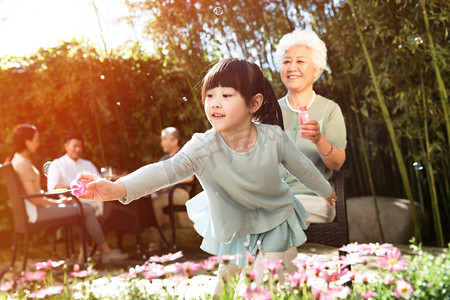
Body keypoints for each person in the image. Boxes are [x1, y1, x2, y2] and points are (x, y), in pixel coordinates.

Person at [75, 58, 337, 294]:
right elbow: (165, 171)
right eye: (209, 95)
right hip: (235, 226)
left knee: (264, 285)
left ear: (254, 103)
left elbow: (302, 166)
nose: (215, 103)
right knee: (224, 288)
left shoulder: (273, 138)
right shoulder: (203, 146)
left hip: (276, 217)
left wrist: (326, 190)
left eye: (226, 94)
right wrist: (116, 187)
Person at [8, 124, 128, 263]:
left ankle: (86, 252)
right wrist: (58, 202)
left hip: (36, 209)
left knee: (83, 209)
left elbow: (33, 195)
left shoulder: (17, 160)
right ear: (26, 141)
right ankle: (105, 251)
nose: (38, 143)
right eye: (36, 139)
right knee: (86, 209)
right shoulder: (23, 163)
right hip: (36, 211)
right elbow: (34, 199)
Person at [274, 30, 347, 226]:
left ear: (316, 69)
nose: (292, 67)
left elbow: (337, 163)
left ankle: (272, 258)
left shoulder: (329, 110)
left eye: (300, 62)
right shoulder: (269, 110)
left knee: (275, 217)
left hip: (314, 198)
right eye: (287, 61)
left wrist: (319, 140)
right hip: (272, 197)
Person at [149, 127, 194, 250]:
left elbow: (190, 178)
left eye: (164, 139)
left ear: (175, 141)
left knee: (156, 203)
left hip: (180, 192)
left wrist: (168, 185)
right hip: (165, 193)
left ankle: (157, 242)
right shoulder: (163, 159)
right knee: (147, 201)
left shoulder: (183, 155)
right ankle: (160, 239)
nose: (161, 142)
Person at [47, 133, 103, 217]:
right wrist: (75, 188)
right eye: (75, 146)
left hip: (90, 196)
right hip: (71, 200)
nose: (78, 149)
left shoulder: (87, 164)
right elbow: (53, 188)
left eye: (80, 146)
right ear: (66, 146)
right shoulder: (57, 164)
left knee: (104, 198)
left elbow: (100, 181)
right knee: (101, 201)